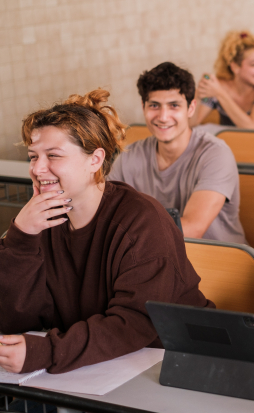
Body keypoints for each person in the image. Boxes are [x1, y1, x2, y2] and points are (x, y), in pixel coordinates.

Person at [0, 89, 212, 375]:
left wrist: (49, 352)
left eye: (53, 155)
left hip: (176, 366)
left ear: (95, 160)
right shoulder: (40, 222)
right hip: (100, 367)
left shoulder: (141, 221)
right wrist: (21, 238)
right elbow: (13, 320)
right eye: (32, 156)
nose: (38, 168)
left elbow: (135, 323)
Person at [109, 62, 247, 245]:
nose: (163, 116)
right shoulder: (128, 156)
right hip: (157, 259)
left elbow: (192, 229)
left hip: (219, 263)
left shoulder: (216, 154)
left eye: (174, 105)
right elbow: (105, 213)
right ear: (143, 107)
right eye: (154, 106)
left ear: (191, 108)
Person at [192, 30, 254, 129]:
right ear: (235, 67)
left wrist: (220, 94)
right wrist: (198, 95)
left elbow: (251, 127)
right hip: (230, 144)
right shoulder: (218, 86)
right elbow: (192, 124)